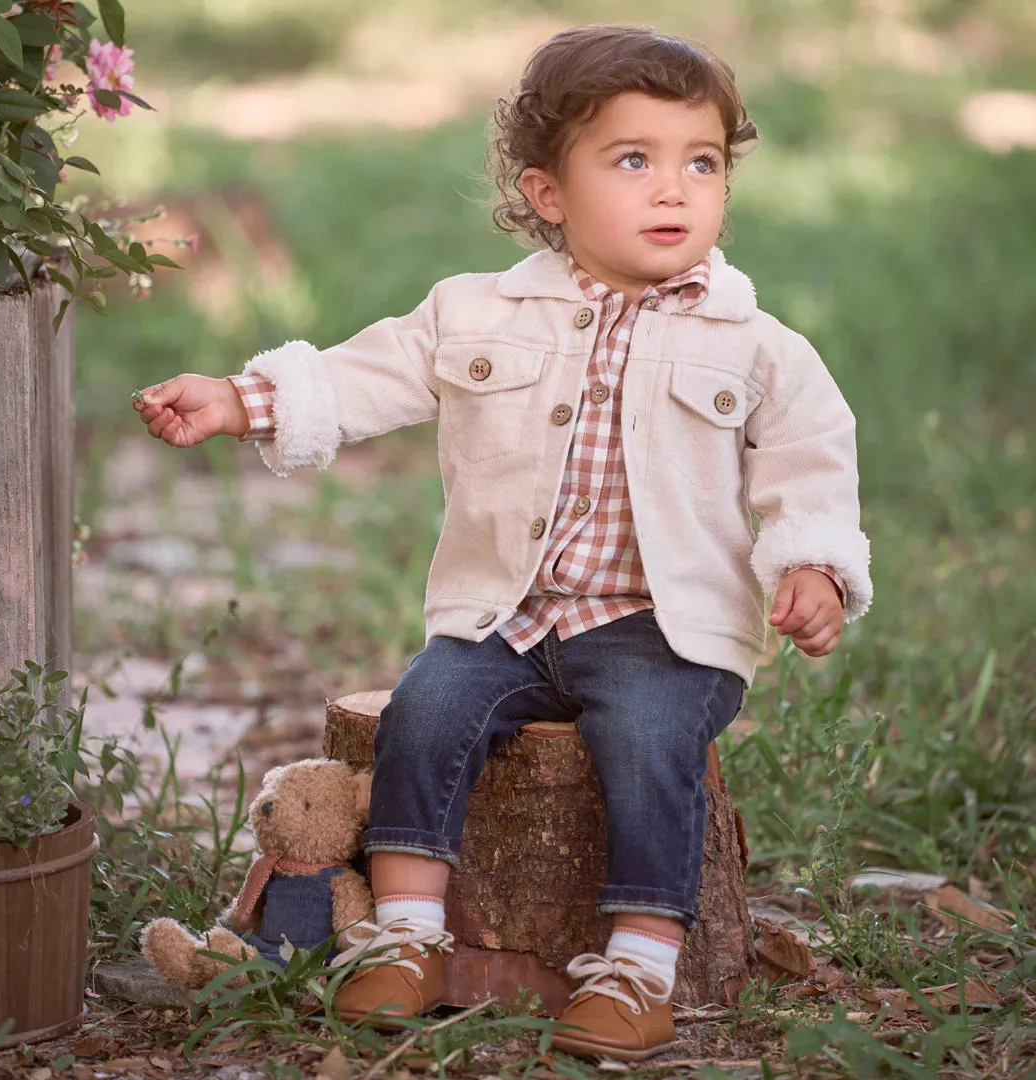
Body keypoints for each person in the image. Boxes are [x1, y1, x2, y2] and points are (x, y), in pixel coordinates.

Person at [134, 24, 872, 1061]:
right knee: (428, 709)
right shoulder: (479, 313)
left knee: (650, 736)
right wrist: (241, 398)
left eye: (700, 164)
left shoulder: (755, 344)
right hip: (509, 614)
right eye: (634, 160)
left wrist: (814, 566)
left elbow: (811, 458)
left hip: (664, 627)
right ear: (549, 193)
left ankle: (639, 966)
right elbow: (365, 373)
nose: (674, 191)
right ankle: (404, 937)